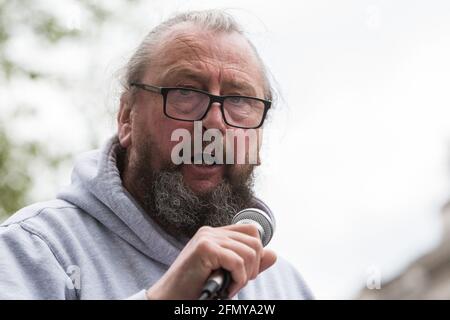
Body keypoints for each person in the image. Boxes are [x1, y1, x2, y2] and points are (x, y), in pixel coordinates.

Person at [0, 10, 313, 300]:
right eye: (185, 93)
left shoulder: (284, 287)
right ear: (126, 117)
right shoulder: (35, 249)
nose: (215, 122)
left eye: (239, 99)